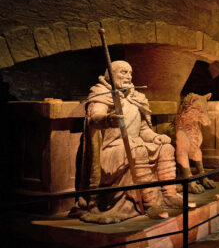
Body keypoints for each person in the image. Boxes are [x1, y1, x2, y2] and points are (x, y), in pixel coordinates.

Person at [78, 60, 184, 224]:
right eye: (123, 72)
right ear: (111, 75)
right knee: (139, 149)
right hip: (112, 150)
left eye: (130, 73)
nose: (128, 76)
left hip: (134, 144)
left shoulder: (135, 97)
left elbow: (143, 129)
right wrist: (109, 119)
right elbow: (95, 119)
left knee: (166, 148)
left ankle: (169, 193)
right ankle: (149, 202)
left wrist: (154, 137)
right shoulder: (101, 94)